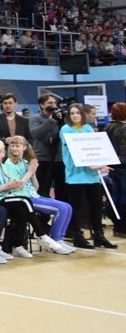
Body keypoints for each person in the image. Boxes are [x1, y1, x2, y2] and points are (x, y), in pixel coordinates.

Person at [3, 136, 74, 254]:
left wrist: (33, 174)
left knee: (67, 207)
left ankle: (59, 239)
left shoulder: (25, 162)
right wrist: (30, 171)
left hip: (34, 194)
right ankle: (54, 241)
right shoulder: (8, 164)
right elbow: (17, 186)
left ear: (24, 147)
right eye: (12, 145)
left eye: (17, 145)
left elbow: (35, 187)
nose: (14, 148)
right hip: (23, 197)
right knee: (60, 209)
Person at [60, 103, 116, 249]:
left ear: (82, 114)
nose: (75, 115)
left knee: (96, 205)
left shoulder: (88, 128)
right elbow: (75, 152)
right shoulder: (66, 129)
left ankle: (99, 235)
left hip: (92, 175)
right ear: (69, 115)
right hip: (76, 175)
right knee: (78, 206)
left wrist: (102, 164)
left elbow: (94, 149)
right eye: (72, 113)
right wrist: (90, 165)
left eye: (77, 113)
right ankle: (77, 236)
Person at [30, 93, 65, 203]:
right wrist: (51, 121)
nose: (53, 105)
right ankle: (42, 217)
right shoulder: (35, 118)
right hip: (43, 159)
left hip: (59, 159)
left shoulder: (59, 119)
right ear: (42, 105)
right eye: (50, 103)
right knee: (43, 189)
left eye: (54, 103)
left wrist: (61, 120)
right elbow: (36, 134)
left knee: (62, 190)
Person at [107, 103, 126, 238]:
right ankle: (123, 226)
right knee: (123, 196)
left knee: (115, 195)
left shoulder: (108, 127)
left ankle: (118, 225)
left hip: (112, 164)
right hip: (123, 164)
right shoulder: (124, 128)